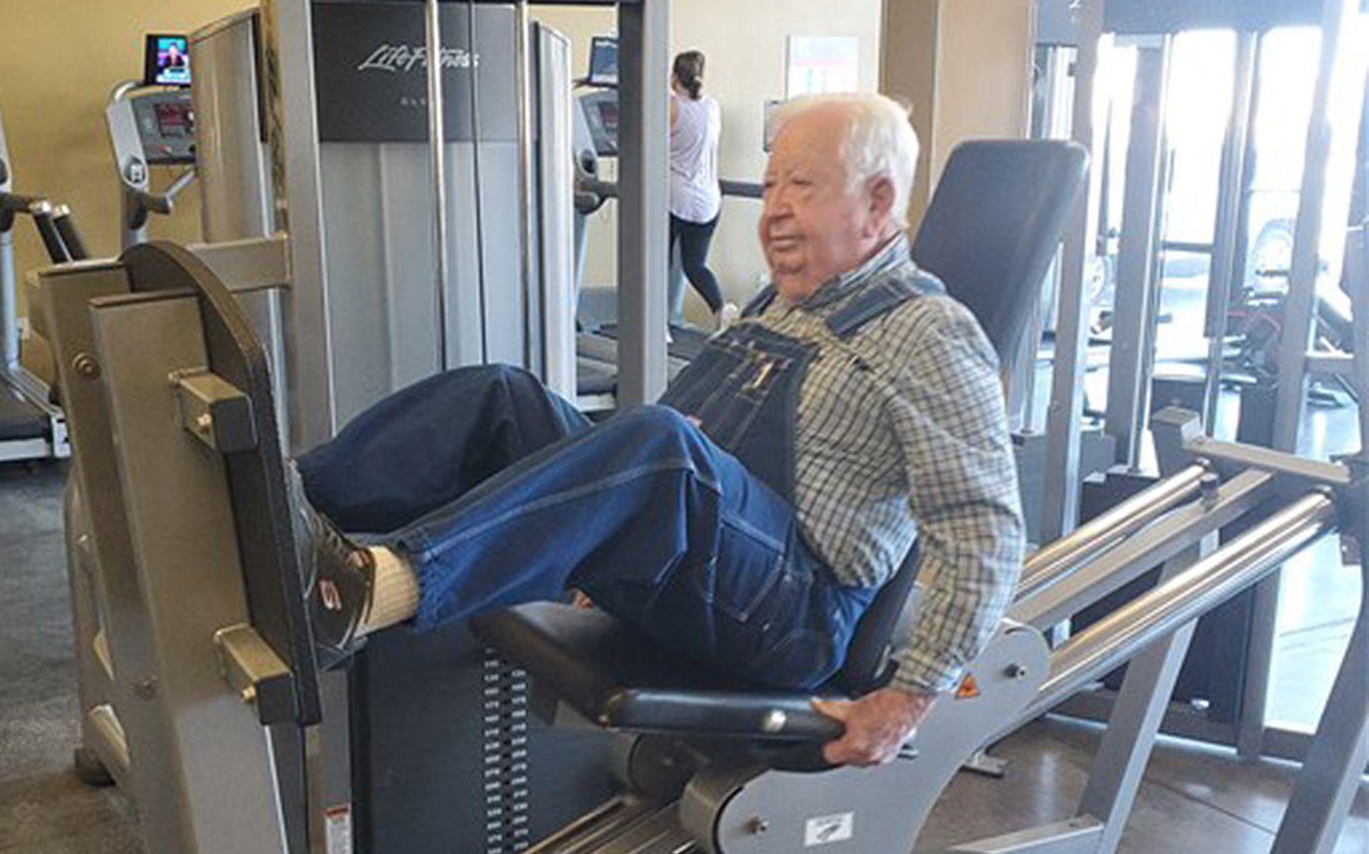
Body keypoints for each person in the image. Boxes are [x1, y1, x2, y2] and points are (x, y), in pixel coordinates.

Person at [291, 94, 1024, 768]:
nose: (772, 211)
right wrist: (599, 533)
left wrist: (908, 700)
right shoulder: (782, 303)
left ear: (878, 202)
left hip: (793, 619)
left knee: (659, 446)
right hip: (710, 575)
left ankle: (364, 593)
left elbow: (986, 536)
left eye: (801, 186)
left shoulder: (930, 334)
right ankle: (292, 504)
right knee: (505, 397)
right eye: (769, 188)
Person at [667, 50, 729, 328]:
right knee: (695, 265)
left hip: (674, 198)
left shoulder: (670, 107)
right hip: (708, 200)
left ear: (674, 76)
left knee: (656, 265)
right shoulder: (713, 106)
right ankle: (721, 311)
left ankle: (657, 329)